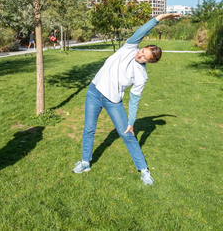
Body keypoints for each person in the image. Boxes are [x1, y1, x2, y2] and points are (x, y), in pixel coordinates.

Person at [72, 13, 181, 185]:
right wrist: (159, 18)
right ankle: (85, 162)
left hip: (112, 101)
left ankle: (144, 170)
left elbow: (135, 99)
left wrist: (131, 121)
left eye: (145, 57)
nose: (140, 55)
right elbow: (142, 30)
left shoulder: (141, 75)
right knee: (88, 130)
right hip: (93, 91)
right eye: (143, 51)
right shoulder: (129, 47)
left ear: (150, 62)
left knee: (128, 135)